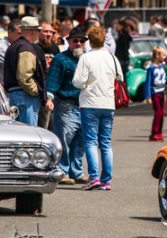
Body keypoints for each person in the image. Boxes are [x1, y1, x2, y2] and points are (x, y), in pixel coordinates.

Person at [72, 26, 122, 191]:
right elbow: (119, 77)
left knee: (91, 142)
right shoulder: (112, 57)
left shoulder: (86, 58)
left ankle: (94, 177)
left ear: (90, 41)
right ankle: (106, 180)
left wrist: (86, 84)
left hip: (90, 103)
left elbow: (78, 81)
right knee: (106, 143)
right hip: (108, 103)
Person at [45, 26, 88, 185]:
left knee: (81, 141)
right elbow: (52, 81)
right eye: (75, 40)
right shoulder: (60, 59)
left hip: (84, 105)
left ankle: (77, 172)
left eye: (81, 41)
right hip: (65, 105)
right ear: (68, 41)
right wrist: (49, 98)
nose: (78, 43)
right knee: (64, 141)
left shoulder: (87, 59)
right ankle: (62, 172)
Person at [4, 16, 47, 126]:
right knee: (29, 135)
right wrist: (36, 91)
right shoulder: (26, 48)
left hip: (14, 96)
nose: (38, 33)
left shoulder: (13, 46)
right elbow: (24, 77)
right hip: (25, 96)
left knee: (17, 135)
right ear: (33, 31)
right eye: (38, 30)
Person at [145, 46, 167, 142]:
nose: (165, 57)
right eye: (163, 55)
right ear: (157, 55)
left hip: (161, 92)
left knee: (162, 113)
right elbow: (148, 82)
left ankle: (159, 132)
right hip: (155, 93)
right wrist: (148, 96)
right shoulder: (151, 68)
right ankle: (154, 133)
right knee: (158, 113)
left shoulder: (162, 67)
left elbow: (164, 80)